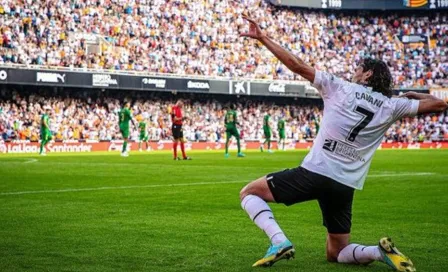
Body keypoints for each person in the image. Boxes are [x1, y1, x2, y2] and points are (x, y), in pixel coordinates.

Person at [238, 15, 447, 271]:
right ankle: (378, 252)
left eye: (359, 67)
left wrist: (263, 38)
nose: (354, 70)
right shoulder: (393, 106)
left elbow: (298, 65)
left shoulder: (338, 86)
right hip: (345, 184)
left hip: (315, 171)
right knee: (335, 252)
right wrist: (415, 94)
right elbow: (441, 103)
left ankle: (279, 241)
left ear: (368, 74)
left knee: (249, 192)